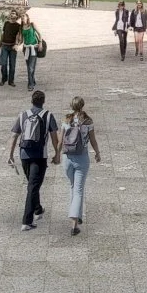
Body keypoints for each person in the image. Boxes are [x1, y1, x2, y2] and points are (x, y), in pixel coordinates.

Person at [6, 90, 61, 232]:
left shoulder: (23, 115)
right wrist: (57, 154)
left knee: (32, 184)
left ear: (32, 101)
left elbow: (14, 136)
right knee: (33, 186)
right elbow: (55, 138)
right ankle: (26, 221)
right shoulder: (48, 116)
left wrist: (10, 155)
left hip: (24, 154)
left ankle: (38, 209)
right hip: (39, 156)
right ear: (43, 101)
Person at [59, 97, 101, 236]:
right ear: (82, 106)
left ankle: (77, 215)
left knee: (72, 187)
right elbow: (93, 140)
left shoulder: (66, 120)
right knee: (78, 190)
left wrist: (57, 155)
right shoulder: (88, 121)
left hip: (67, 158)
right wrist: (97, 153)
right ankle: (74, 224)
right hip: (82, 158)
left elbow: (60, 141)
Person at [0, 9, 23, 87]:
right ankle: (4, 79)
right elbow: (3, 35)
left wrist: (17, 45)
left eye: (14, 14)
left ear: (16, 16)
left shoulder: (18, 26)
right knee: (3, 64)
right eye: (11, 13)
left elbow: (20, 38)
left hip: (12, 48)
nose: (12, 15)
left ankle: (11, 81)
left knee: (12, 65)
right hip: (4, 46)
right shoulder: (6, 23)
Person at [20, 12, 43, 90]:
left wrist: (40, 43)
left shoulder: (32, 25)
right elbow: (21, 40)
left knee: (30, 67)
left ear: (27, 17)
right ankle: (32, 80)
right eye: (21, 17)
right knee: (29, 67)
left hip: (33, 48)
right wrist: (16, 44)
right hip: (25, 49)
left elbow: (40, 34)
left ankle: (30, 84)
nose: (22, 17)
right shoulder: (21, 27)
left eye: (24, 16)